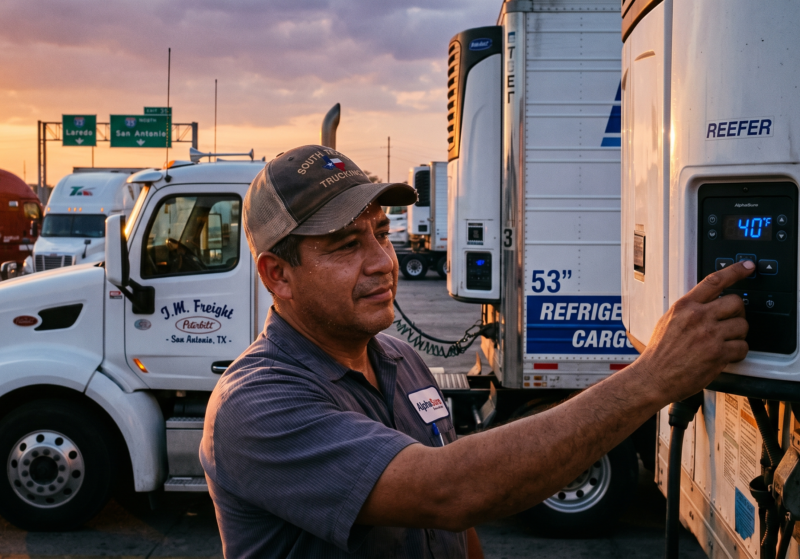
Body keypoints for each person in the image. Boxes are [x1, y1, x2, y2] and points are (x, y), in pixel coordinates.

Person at [200, 145, 754, 558]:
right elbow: (447, 492)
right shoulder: (256, 405)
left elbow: (455, 529)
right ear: (278, 276)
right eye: (346, 246)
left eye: (380, 233)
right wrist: (652, 377)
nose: (381, 262)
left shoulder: (399, 359)